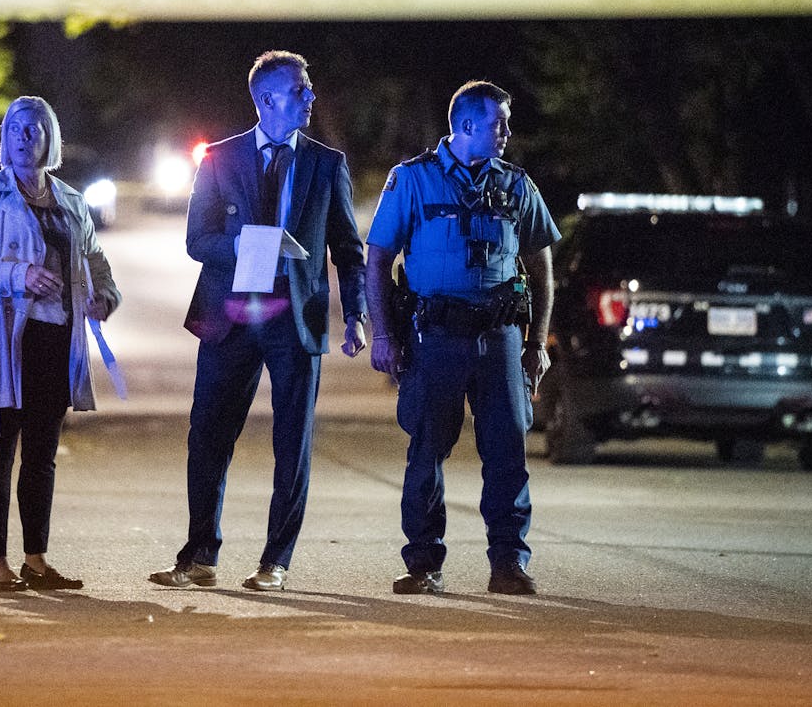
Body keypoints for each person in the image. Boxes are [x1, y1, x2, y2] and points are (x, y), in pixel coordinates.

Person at [149, 51, 368, 593]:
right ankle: (200, 554)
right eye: (300, 90)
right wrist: (245, 244)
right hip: (231, 315)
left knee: (292, 442)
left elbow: (348, 248)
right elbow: (197, 240)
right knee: (207, 436)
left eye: (309, 88)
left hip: (295, 317)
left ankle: (276, 561)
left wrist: (358, 315)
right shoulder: (219, 159)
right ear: (266, 100)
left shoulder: (326, 164)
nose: (310, 97)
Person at [364, 80, 560, 597]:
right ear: (467, 126)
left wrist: (537, 340)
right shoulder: (412, 180)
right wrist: (383, 334)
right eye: (499, 123)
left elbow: (541, 266)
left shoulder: (517, 186)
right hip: (434, 338)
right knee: (426, 452)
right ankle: (423, 563)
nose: (507, 133)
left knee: (507, 453)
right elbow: (379, 258)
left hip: (499, 340)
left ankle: (509, 564)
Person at [0, 96, 123, 592]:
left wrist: (105, 295)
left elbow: (94, 258)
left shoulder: (70, 200)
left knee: (43, 452)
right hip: (8, 337)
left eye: (35, 130)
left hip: (56, 338)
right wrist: (17, 274)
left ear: (51, 139)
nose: (25, 138)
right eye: (16, 129)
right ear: (3, 139)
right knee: (1, 447)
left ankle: (36, 558)